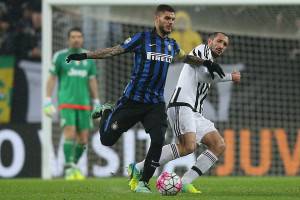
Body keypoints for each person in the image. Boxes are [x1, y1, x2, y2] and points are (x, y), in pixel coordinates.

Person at [66, 5, 225, 193]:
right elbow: (113, 51)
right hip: (132, 101)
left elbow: (186, 58)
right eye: (167, 18)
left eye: (173, 19)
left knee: (158, 141)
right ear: (157, 19)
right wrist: (85, 55)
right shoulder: (142, 39)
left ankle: (143, 182)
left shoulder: (171, 45)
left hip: (155, 103)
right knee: (107, 140)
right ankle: (107, 110)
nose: (171, 22)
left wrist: (207, 63)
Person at [132, 32, 241, 193]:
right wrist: (230, 77)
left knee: (218, 145)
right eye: (219, 41)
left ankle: (185, 182)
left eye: (225, 44)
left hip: (195, 111)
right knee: (187, 146)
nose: (221, 46)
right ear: (210, 41)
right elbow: (204, 76)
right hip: (181, 103)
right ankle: (138, 167)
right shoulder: (201, 50)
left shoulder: (209, 59)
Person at [44, 27, 100, 180]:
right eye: (73, 36)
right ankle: (69, 169)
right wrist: (47, 99)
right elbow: (52, 78)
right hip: (67, 102)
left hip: (84, 104)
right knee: (70, 132)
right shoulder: (60, 56)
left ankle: (72, 165)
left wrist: (96, 102)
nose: (76, 39)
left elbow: (92, 80)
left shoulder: (88, 57)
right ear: (68, 39)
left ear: (82, 39)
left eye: (79, 36)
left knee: (83, 139)